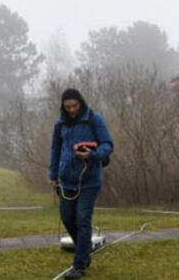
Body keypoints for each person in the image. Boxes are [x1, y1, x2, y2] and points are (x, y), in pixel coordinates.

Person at [49, 88, 114, 279]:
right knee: (67, 217)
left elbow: (108, 145)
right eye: (67, 106)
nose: (71, 110)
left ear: (81, 103)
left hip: (89, 180)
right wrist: (53, 175)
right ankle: (84, 252)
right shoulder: (59, 124)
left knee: (82, 219)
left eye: (75, 106)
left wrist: (92, 155)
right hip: (66, 181)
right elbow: (55, 149)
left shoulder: (94, 119)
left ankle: (79, 266)